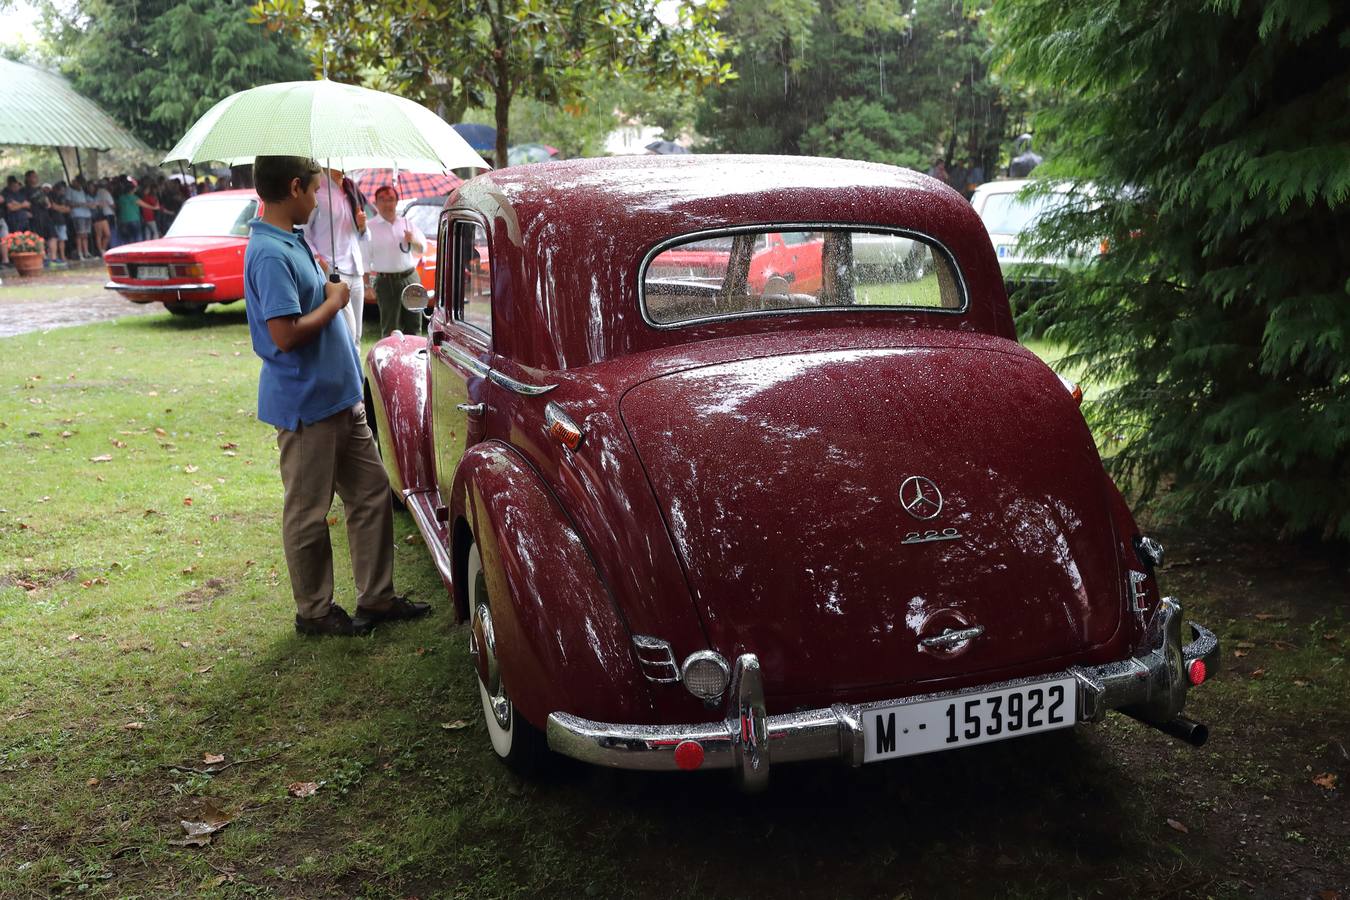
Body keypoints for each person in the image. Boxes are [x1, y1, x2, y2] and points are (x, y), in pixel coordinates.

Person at [244, 155, 429, 637]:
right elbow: (284, 334)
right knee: (308, 511)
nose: (318, 199)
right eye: (313, 190)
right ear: (293, 188)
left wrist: (324, 281)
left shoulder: (293, 240)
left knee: (370, 494)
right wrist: (332, 301)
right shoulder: (268, 251)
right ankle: (315, 612)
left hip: (341, 396)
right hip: (307, 404)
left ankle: (377, 598)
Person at [302, 167, 368, 345]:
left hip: (355, 267)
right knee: (348, 331)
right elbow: (304, 231)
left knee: (357, 335)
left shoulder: (351, 190)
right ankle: (346, 371)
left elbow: (361, 236)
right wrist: (319, 260)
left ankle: (354, 373)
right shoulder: (318, 192)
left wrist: (362, 226)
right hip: (334, 267)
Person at [365, 185, 426, 337]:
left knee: (414, 325)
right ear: (376, 203)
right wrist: (367, 285)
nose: (387, 204)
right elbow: (364, 258)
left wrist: (412, 240)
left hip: (410, 278)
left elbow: (421, 249)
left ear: (397, 202)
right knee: (390, 328)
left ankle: (414, 358)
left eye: (391, 199)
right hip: (386, 282)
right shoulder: (370, 227)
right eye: (382, 200)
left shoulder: (406, 223)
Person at [68, 176, 94, 260]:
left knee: (85, 235)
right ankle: (79, 253)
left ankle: (86, 252)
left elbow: (86, 200)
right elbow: (68, 203)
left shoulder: (82, 191)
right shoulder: (70, 190)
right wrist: (80, 204)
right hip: (77, 214)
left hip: (86, 214)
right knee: (80, 234)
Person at [91, 179, 114, 256]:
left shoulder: (98, 193)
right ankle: (100, 251)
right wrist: (98, 204)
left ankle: (103, 249)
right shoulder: (94, 194)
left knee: (107, 234)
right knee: (99, 235)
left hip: (102, 214)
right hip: (96, 215)